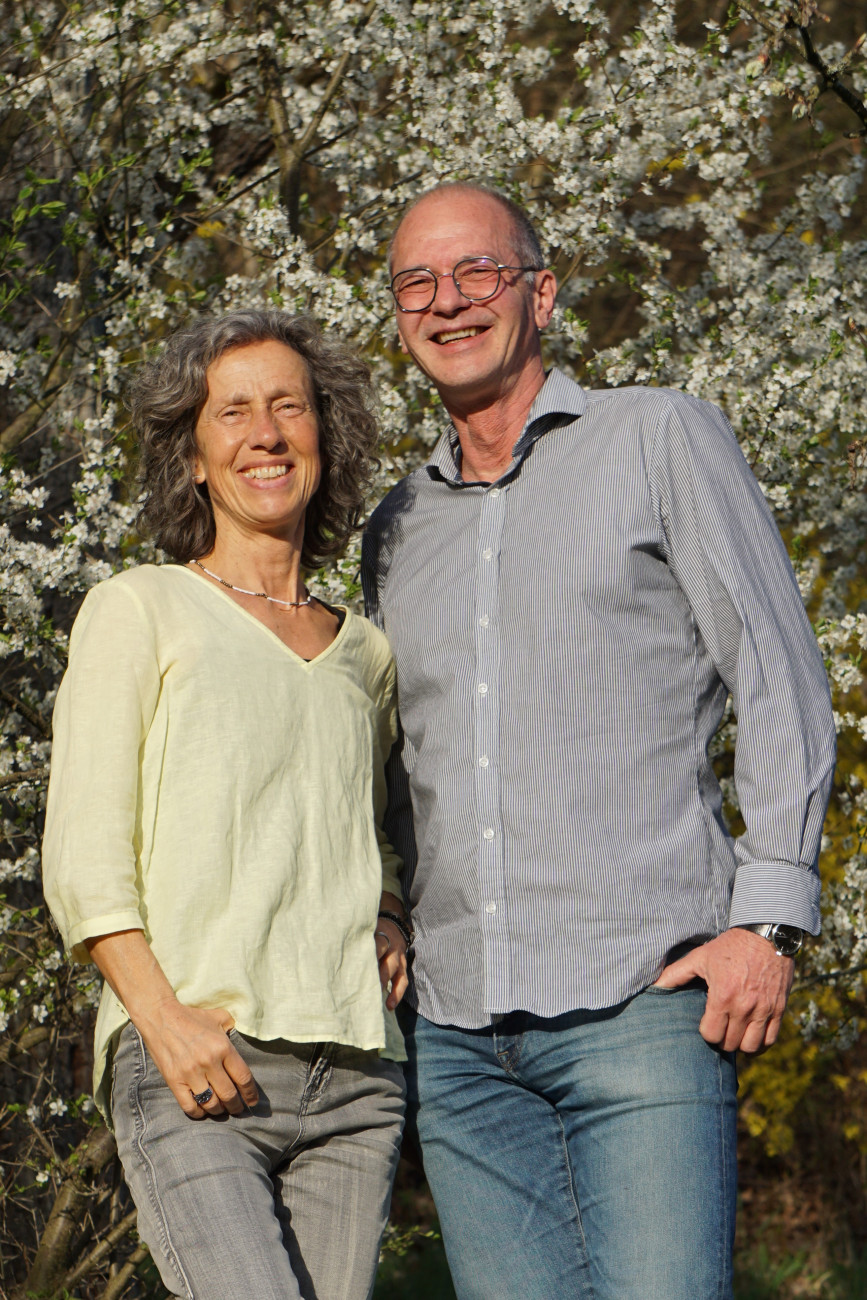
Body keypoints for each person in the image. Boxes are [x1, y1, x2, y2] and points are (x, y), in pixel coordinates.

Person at [361, 183, 836, 1300]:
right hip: (460, 1040)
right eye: (417, 281)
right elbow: (389, 763)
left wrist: (767, 921)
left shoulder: (657, 436)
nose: (447, 301)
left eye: (477, 271)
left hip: (640, 1002)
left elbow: (778, 674)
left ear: (540, 294)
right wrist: (384, 907)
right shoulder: (395, 528)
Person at [42, 310, 412, 1300]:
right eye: (233, 411)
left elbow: (368, 828)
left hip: (358, 1079)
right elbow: (83, 853)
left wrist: (389, 910)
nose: (266, 433)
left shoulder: (367, 652)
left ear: (326, 436)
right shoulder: (141, 607)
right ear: (193, 456)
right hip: (201, 1060)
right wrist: (161, 1020)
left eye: (289, 406)